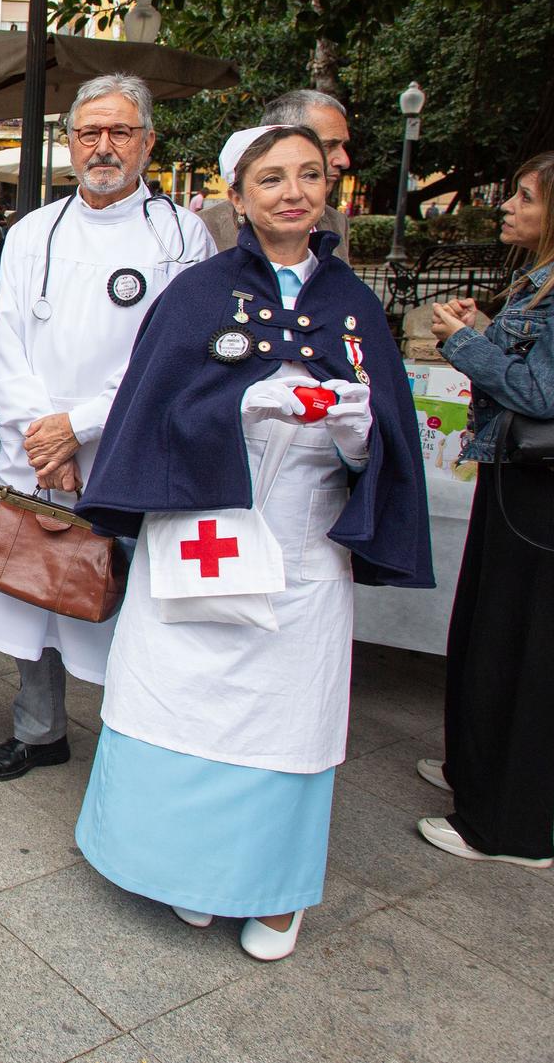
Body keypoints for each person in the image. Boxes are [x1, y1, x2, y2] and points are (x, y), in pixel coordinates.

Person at [73, 123, 430, 961]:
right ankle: (183, 870)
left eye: (309, 175)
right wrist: (237, 411)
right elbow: (150, 415)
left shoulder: (354, 305)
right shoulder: (196, 295)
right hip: (200, 526)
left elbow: (392, 441)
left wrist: (354, 433)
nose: (292, 192)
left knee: (283, 714)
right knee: (180, 696)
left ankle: (268, 888)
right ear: (239, 197)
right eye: (271, 179)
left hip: (303, 546)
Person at [0, 72, 214, 782]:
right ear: (69, 142)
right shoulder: (31, 231)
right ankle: (39, 729)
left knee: (123, 605)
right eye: (89, 133)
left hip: (124, 450)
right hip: (38, 453)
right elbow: (5, 345)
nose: (103, 147)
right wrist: (42, 438)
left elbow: (171, 359)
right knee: (32, 590)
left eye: (120, 132)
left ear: (148, 141)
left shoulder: (181, 235)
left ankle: (129, 745)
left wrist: (78, 428)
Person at [420, 146, 554, 869]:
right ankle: (473, 770)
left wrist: (466, 342)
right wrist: (484, 328)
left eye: (525, 196)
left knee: (522, 645)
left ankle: (507, 824)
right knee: (485, 627)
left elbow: (544, 394)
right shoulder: (548, 280)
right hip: (519, 478)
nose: (508, 206)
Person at [202, 90, 352, 262]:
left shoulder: (336, 221)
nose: (344, 160)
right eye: (329, 145)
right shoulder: (202, 228)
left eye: (310, 174)